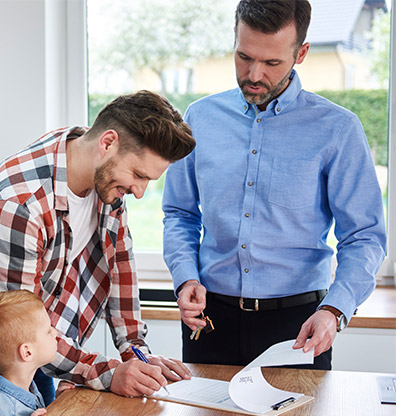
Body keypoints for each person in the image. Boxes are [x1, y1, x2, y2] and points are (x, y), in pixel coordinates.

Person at [162, 0, 386, 371]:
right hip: (209, 320)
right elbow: (179, 213)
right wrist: (185, 276)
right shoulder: (200, 118)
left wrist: (334, 310)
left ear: (301, 53)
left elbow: (364, 237)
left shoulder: (337, 129)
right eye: (244, 56)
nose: (253, 74)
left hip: (299, 325)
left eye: (271, 63)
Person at [0, 91, 196, 402]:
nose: (139, 192)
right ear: (108, 142)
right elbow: (19, 326)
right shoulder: (21, 203)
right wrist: (107, 373)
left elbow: (119, 263)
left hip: (45, 352)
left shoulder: (99, 172)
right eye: (138, 175)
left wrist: (136, 353)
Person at [0, 290, 57, 416]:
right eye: (48, 331)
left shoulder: (25, 387)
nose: (55, 333)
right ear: (27, 352)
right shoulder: (5, 410)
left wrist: (59, 403)